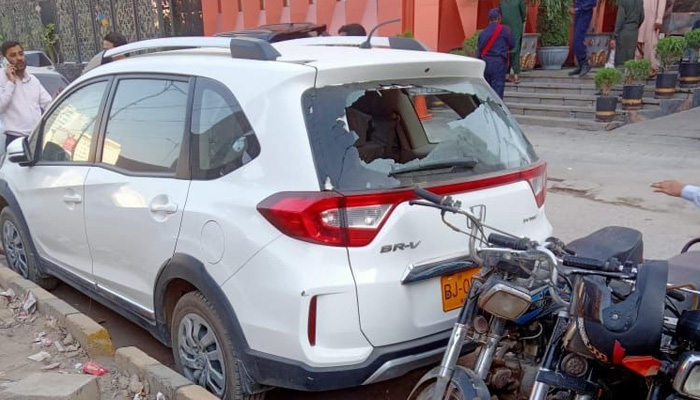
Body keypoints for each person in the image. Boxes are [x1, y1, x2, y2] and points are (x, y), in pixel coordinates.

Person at [0, 41, 52, 149]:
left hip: (37, 138)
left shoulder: (33, 80)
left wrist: (59, 100)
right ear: (5, 59)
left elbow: (48, 104)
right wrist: (11, 83)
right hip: (16, 141)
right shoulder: (2, 80)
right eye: (13, 55)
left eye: (21, 53)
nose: (19, 58)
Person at [477, 8, 514, 99]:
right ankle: (496, 112)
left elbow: (479, 49)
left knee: (486, 91)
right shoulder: (505, 30)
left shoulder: (483, 32)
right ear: (499, 18)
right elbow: (512, 44)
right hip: (498, 63)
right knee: (498, 91)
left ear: (489, 19)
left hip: (485, 63)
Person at [500, 0, 526, 84]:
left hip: (505, 28)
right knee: (515, 49)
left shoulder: (502, 2)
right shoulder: (519, 1)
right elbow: (523, 14)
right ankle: (516, 75)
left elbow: (501, 15)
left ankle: (506, 74)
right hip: (516, 26)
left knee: (507, 49)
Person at [637, 0, 667, 76]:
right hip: (637, 18)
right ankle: (637, 68)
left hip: (651, 19)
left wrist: (659, 19)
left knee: (650, 43)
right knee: (637, 42)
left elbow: (662, 2)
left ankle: (652, 68)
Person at [569, 0, 598, 77]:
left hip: (584, 12)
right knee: (575, 40)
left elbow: (593, 2)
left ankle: (584, 63)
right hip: (579, 11)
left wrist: (582, 7)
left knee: (578, 39)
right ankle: (581, 65)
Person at [612, 0, 644, 66]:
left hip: (623, 31)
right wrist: (635, 25)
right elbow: (642, 17)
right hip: (634, 31)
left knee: (620, 59)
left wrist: (615, 34)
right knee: (630, 57)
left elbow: (620, 19)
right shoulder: (640, 1)